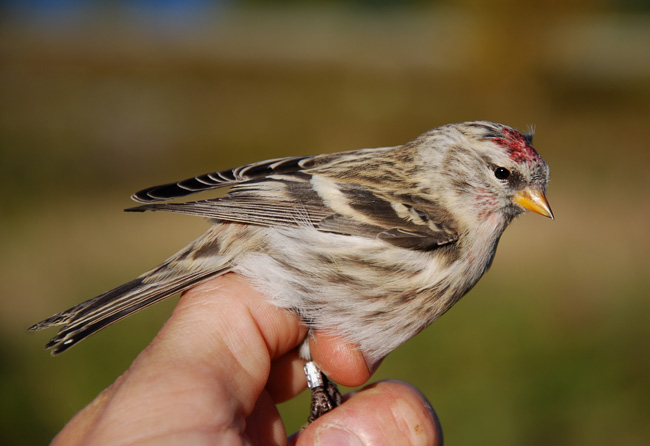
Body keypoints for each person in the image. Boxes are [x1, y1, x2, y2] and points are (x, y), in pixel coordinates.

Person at [51, 274, 443, 445]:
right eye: (500, 175)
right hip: (283, 234)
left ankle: (315, 375)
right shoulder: (438, 219)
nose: (510, 192)